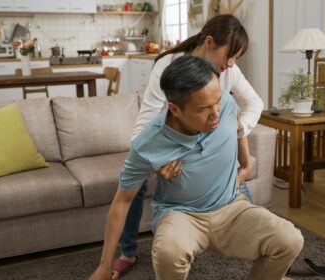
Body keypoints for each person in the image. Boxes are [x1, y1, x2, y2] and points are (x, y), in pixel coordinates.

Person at [89, 56, 303, 280]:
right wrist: (104, 267)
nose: (216, 114)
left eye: (218, 101)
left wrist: (246, 165)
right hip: (181, 214)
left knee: (290, 239)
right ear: (175, 109)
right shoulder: (147, 145)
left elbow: (236, 125)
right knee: (168, 253)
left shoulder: (226, 106)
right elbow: (122, 201)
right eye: (203, 109)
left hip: (231, 207)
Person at [113, 14, 264, 278]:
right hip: (170, 145)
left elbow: (255, 105)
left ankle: (259, 249)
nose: (231, 63)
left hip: (211, 144)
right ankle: (127, 251)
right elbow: (144, 125)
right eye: (230, 55)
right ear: (209, 42)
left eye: (236, 58)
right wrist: (158, 162)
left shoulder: (229, 72)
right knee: (133, 186)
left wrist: (237, 130)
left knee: (237, 190)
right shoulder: (167, 66)